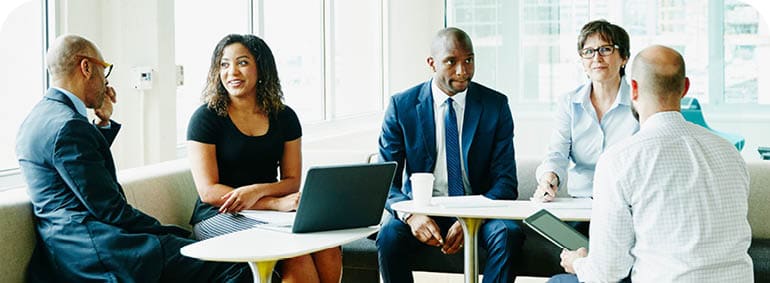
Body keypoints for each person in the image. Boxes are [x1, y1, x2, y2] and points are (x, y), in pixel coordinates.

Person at [16, 34, 251, 282]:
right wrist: (170, 232)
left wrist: (102, 123)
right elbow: (111, 210)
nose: (105, 82)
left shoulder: (39, 119)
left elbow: (74, 173)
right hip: (100, 252)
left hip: (66, 249)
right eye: (103, 70)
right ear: (86, 68)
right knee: (234, 266)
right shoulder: (69, 126)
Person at [550, 45, 754, 282]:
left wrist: (578, 262)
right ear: (685, 88)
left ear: (633, 89)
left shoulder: (620, 160)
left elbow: (607, 273)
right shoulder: (729, 152)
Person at [186, 34, 341, 283]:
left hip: (272, 214)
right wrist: (272, 203)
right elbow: (209, 192)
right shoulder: (205, 118)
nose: (232, 71)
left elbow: (292, 180)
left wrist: (257, 191)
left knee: (327, 245)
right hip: (217, 215)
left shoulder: (285, 116)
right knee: (296, 253)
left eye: (243, 62)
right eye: (224, 64)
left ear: (262, 67)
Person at [377, 27, 524, 283]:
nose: (462, 71)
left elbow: (506, 182)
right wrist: (411, 215)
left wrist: (471, 218)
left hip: (479, 207)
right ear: (431, 63)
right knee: (389, 236)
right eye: (451, 61)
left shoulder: (495, 105)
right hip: (423, 207)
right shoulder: (402, 106)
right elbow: (385, 181)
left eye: (469, 60)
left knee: (508, 233)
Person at [533, 19, 638, 203]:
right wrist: (549, 177)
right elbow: (557, 153)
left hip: (627, 201)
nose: (596, 58)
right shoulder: (569, 103)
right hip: (581, 203)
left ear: (624, 57)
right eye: (588, 52)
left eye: (605, 49)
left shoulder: (640, 102)